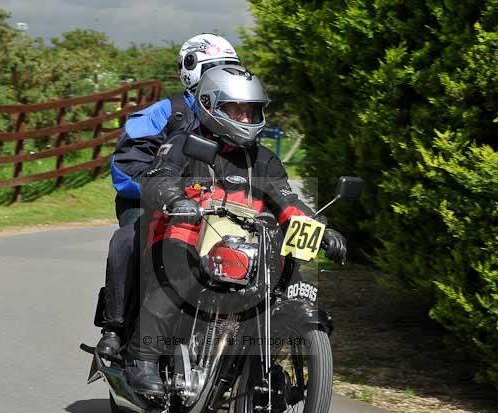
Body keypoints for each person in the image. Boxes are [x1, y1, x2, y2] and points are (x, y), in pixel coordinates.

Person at [123, 65, 348, 395]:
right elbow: (160, 177)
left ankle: (256, 374)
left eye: (251, 111)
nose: (245, 118)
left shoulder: (265, 160)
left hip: (246, 245)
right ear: (211, 106)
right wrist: (175, 197)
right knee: (181, 275)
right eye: (236, 110)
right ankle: (142, 358)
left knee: (288, 288)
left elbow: (287, 201)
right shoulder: (184, 144)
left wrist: (322, 230)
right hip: (187, 233)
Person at [95, 34, 242, 360]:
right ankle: (115, 327)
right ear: (193, 72)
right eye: (216, 71)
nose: (223, 81)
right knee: (127, 239)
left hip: (216, 211)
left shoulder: (235, 122)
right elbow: (126, 168)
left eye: (230, 71)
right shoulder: (165, 112)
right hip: (153, 206)